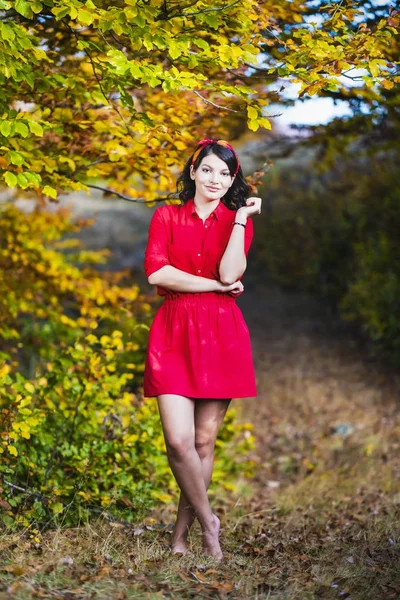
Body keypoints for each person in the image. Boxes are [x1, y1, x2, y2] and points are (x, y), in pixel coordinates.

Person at [143, 138, 262, 561]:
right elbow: (158, 271)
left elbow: (232, 271)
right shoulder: (167, 215)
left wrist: (241, 220)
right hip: (174, 331)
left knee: (204, 443)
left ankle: (181, 538)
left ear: (233, 180)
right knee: (178, 441)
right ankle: (210, 520)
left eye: (225, 174)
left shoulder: (237, 219)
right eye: (208, 169)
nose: (216, 179)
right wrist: (214, 285)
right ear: (193, 171)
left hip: (220, 333)